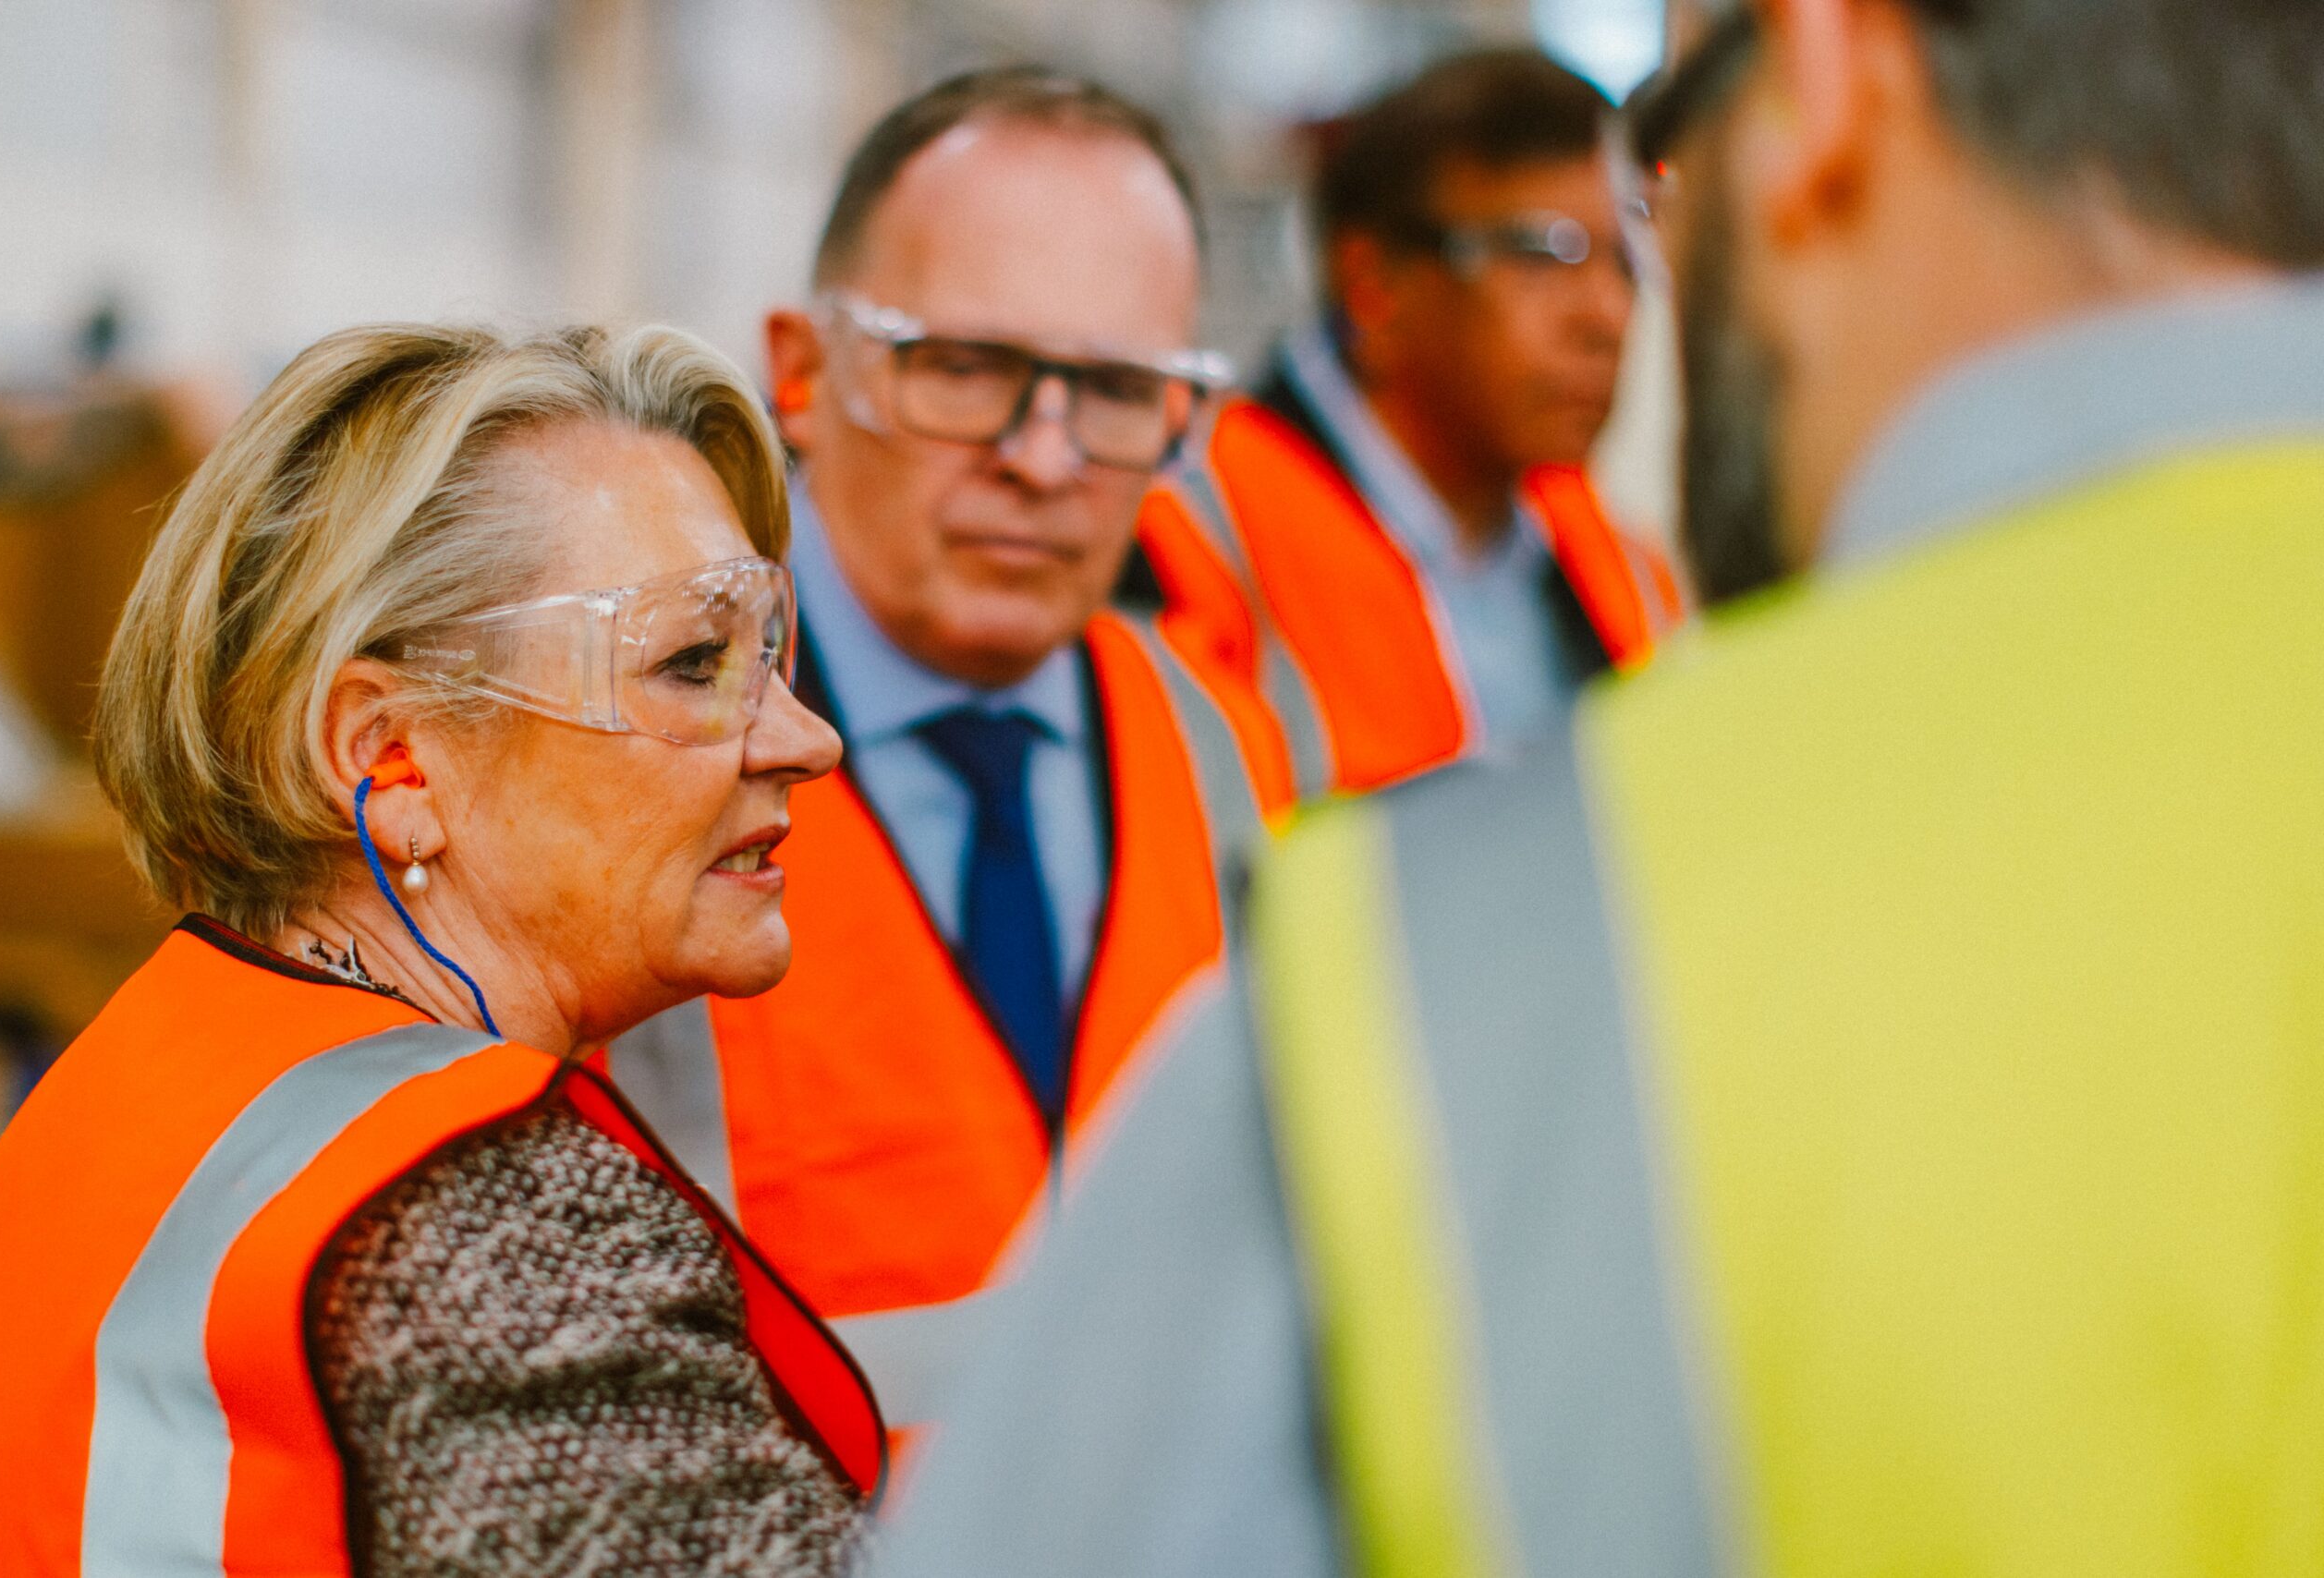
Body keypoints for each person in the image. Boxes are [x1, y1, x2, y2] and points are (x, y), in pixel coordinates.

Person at [872, 0, 2324, 1572]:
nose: (1620, 308)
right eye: (1561, 251)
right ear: (1373, 285)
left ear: (1829, 70)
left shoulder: (1428, 994)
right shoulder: (1205, 546)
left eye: (1642, 206)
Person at [0, 322, 888, 1575]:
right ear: (386, 757)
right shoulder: (502, 1223)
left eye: (768, 652)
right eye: (690, 664)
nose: (804, 738)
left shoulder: (145, 1081)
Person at [607, 68, 1272, 1438]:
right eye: (964, 368)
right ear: (800, 372)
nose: (1042, 458)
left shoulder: (1234, 746)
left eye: (1114, 388)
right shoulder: (618, 748)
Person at [1138, 47, 1684, 797]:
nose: (1606, 315)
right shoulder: (1191, 540)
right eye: (1542, 253)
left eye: (1622, 261)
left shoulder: (1613, 558)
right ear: (1375, 286)